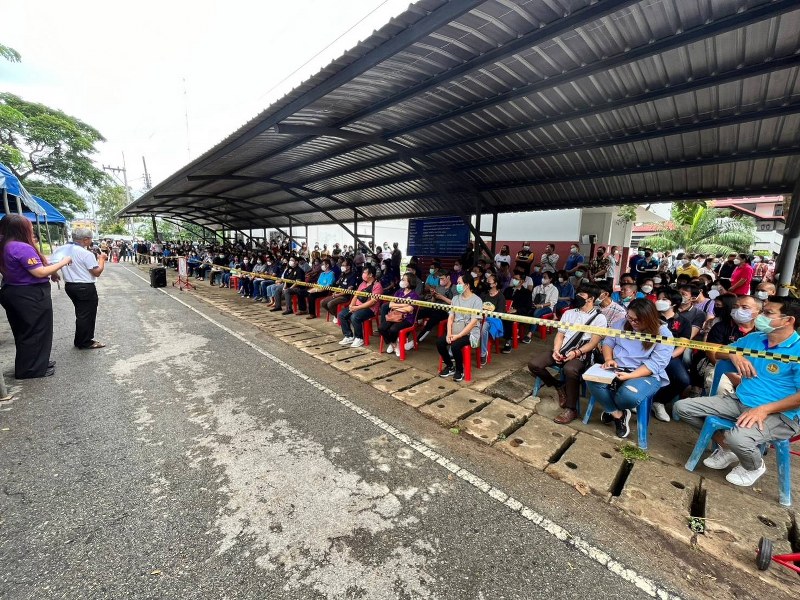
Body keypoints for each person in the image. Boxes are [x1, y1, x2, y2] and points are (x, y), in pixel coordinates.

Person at [674, 296, 800, 488]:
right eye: (762, 311)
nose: (760, 317)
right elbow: (720, 352)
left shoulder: (797, 350)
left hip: (779, 414)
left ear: (788, 320)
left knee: (738, 438)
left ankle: (754, 466)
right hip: (739, 400)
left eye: (768, 313)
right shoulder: (755, 338)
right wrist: (735, 355)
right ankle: (727, 447)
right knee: (682, 408)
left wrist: (764, 409)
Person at [585, 299, 673, 438]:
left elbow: (655, 364)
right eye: (630, 317)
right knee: (591, 379)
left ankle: (611, 409)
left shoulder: (664, 334)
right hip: (617, 368)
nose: (632, 322)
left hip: (645, 374)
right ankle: (618, 414)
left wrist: (630, 376)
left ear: (649, 318)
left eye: (637, 320)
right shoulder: (620, 324)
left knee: (628, 396)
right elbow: (608, 342)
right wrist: (608, 359)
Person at [0, 215, 72, 378]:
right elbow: (39, 272)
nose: (32, 229)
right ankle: (31, 369)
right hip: (29, 293)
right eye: (29, 226)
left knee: (24, 330)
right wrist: (63, 262)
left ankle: (36, 362)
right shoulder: (20, 247)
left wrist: (51, 271)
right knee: (37, 330)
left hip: (13, 290)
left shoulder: (4, 245)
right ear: (21, 229)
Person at [528, 284, 607, 424]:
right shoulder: (569, 313)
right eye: (578, 294)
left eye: (582, 295)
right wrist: (556, 350)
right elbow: (560, 335)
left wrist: (576, 352)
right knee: (534, 364)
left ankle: (571, 409)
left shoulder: (599, 318)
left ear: (591, 299)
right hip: (563, 349)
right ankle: (558, 385)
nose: (578, 297)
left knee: (570, 369)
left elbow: (593, 343)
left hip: (582, 353)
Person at [52, 227, 107, 350]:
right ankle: (85, 341)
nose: (91, 241)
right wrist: (102, 259)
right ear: (85, 239)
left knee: (81, 313)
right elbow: (96, 272)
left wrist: (54, 274)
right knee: (87, 315)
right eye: (90, 239)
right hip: (85, 287)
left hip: (70, 285)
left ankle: (80, 340)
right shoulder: (85, 253)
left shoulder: (61, 249)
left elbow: (52, 264)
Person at [650, 288, 694, 421]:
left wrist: (668, 357)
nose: (659, 301)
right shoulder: (651, 317)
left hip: (670, 356)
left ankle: (658, 401)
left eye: (664, 299)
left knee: (683, 380)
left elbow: (682, 345)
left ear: (674, 303)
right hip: (647, 353)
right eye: (659, 299)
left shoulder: (684, 322)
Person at [437, 273, 483, 382]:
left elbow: (473, 322)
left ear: (467, 285)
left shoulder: (477, 300)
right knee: (440, 342)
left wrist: (459, 336)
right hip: (455, 330)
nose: (457, 285)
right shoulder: (455, 298)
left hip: (470, 333)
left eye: (459, 283)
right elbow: (451, 317)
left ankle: (459, 370)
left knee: (455, 346)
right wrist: (449, 333)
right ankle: (450, 366)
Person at [338, 265, 384, 348]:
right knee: (341, 315)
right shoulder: (362, 284)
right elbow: (356, 296)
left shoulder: (377, 286)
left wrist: (356, 308)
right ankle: (349, 336)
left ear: (370, 275)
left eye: (364, 273)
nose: (363, 274)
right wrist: (351, 306)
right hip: (357, 306)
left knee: (354, 317)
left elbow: (372, 302)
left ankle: (359, 338)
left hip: (369, 309)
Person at [379, 273, 420, 356]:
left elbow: (409, 309)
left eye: (404, 279)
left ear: (410, 282)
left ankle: (393, 343)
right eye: (402, 279)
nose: (402, 281)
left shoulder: (414, 295)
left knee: (393, 329)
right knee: (381, 328)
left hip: (407, 319)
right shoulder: (398, 292)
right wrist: (404, 305)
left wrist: (397, 306)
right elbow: (391, 305)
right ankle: (394, 344)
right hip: (394, 316)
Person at [501, 271, 532, 353]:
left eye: (516, 279)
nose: (513, 280)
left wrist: (516, 309)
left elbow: (528, 307)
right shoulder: (508, 290)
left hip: (519, 313)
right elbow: (502, 301)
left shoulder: (527, 293)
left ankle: (508, 341)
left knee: (509, 318)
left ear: (522, 281)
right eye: (513, 278)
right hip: (505, 311)